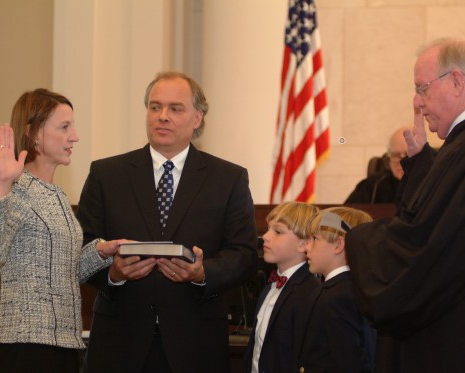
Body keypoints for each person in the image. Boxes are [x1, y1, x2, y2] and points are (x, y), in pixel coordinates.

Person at [345, 37, 465, 372]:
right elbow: (450, 220)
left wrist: (355, 239)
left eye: (422, 88)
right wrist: (422, 166)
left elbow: (436, 247)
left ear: (457, 81)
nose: (417, 103)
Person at [76, 71, 258, 373]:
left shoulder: (228, 179)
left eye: (175, 109)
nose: (162, 116)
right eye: (155, 106)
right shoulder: (106, 175)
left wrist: (203, 272)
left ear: (197, 118)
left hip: (195, 343)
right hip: (120, 342)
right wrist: (114, 273)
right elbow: (82, 247)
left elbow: (245, 255)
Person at [0, 89, 122, 373]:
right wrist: (2, 184)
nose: (74, 136)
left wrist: (102, 250)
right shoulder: (18, 189)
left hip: (63, 344)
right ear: (34, 133)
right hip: (25, 348)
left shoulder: (57, 195)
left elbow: (64, 270)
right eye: (64, 127)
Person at [244, 201, 321, 373]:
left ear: (304, 244)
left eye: (278, 231)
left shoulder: (310, 294)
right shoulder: (269, 287)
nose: (265, 236)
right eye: (268, 229)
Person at [298, 206, 376, 373]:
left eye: (314, 238)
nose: (307, 247)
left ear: (338, 245)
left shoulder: (337, 297)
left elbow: (350, 363)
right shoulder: (349, 289)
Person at [345, 127, 408, 204]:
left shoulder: (426, 186)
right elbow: (344, 214)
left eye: (407, 154)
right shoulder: (372, 186)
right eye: (395, 155)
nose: (401, 161)